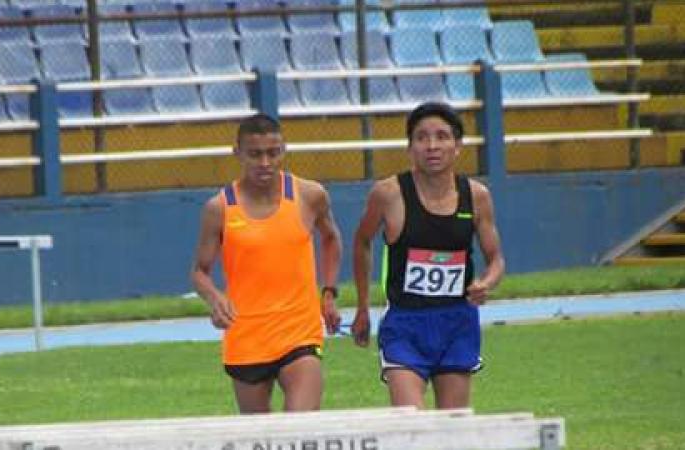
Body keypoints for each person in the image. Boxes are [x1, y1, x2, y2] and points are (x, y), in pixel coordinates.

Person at [350, 102, 505, 409]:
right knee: (413, 426)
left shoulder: (477, 196)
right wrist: (363, 307)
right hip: (405, 324)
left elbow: (496, 258)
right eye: (421, 137)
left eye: (442, 136)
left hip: (457, 322)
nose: (432, 146)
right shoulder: (388, 194)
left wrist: (486, 282)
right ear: (410, 147)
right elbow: (362, 242)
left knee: (453, 430)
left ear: (457, 146)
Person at [191, 113, 343, 414]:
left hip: (299, 332)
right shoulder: (219, 208)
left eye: (273, 153)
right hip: (247, 336)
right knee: (259, 435)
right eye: (255, 154)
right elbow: (199, 272)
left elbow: (331, 239)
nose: (265, 163)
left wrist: (328, 293)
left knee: (299, 431)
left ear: (284, 150)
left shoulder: (309, 195)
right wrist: (215, 298)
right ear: (237, 154)